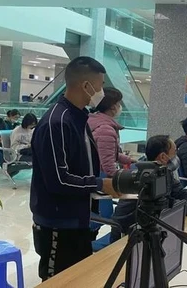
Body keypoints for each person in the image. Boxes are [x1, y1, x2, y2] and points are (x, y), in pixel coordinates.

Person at [30, 56, 120, 281]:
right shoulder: (57, 122)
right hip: (58, 224)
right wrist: (100, 183)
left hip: (78, 218)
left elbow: (84, 166)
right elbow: (58, 180)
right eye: (99, 86)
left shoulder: (79, 118)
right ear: (86, 86)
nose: (101, 92)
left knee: (79, 279)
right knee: (58, 281)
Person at [110, 135, 187, 243]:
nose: (177, 154)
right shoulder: (143, 176)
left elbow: (179, 191)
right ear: (163, 157)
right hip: (127, 234)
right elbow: (163, 207)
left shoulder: (163, 171)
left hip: (149, 226)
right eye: (175, 151)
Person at [88, 87, 135, 177]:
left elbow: (107, 152)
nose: (120, 106)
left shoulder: (96, 121)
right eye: (118, 103)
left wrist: (128, 159)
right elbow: (108, 167)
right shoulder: (106, 131)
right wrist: (124, 178)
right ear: (112, 106)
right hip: (100, 178)